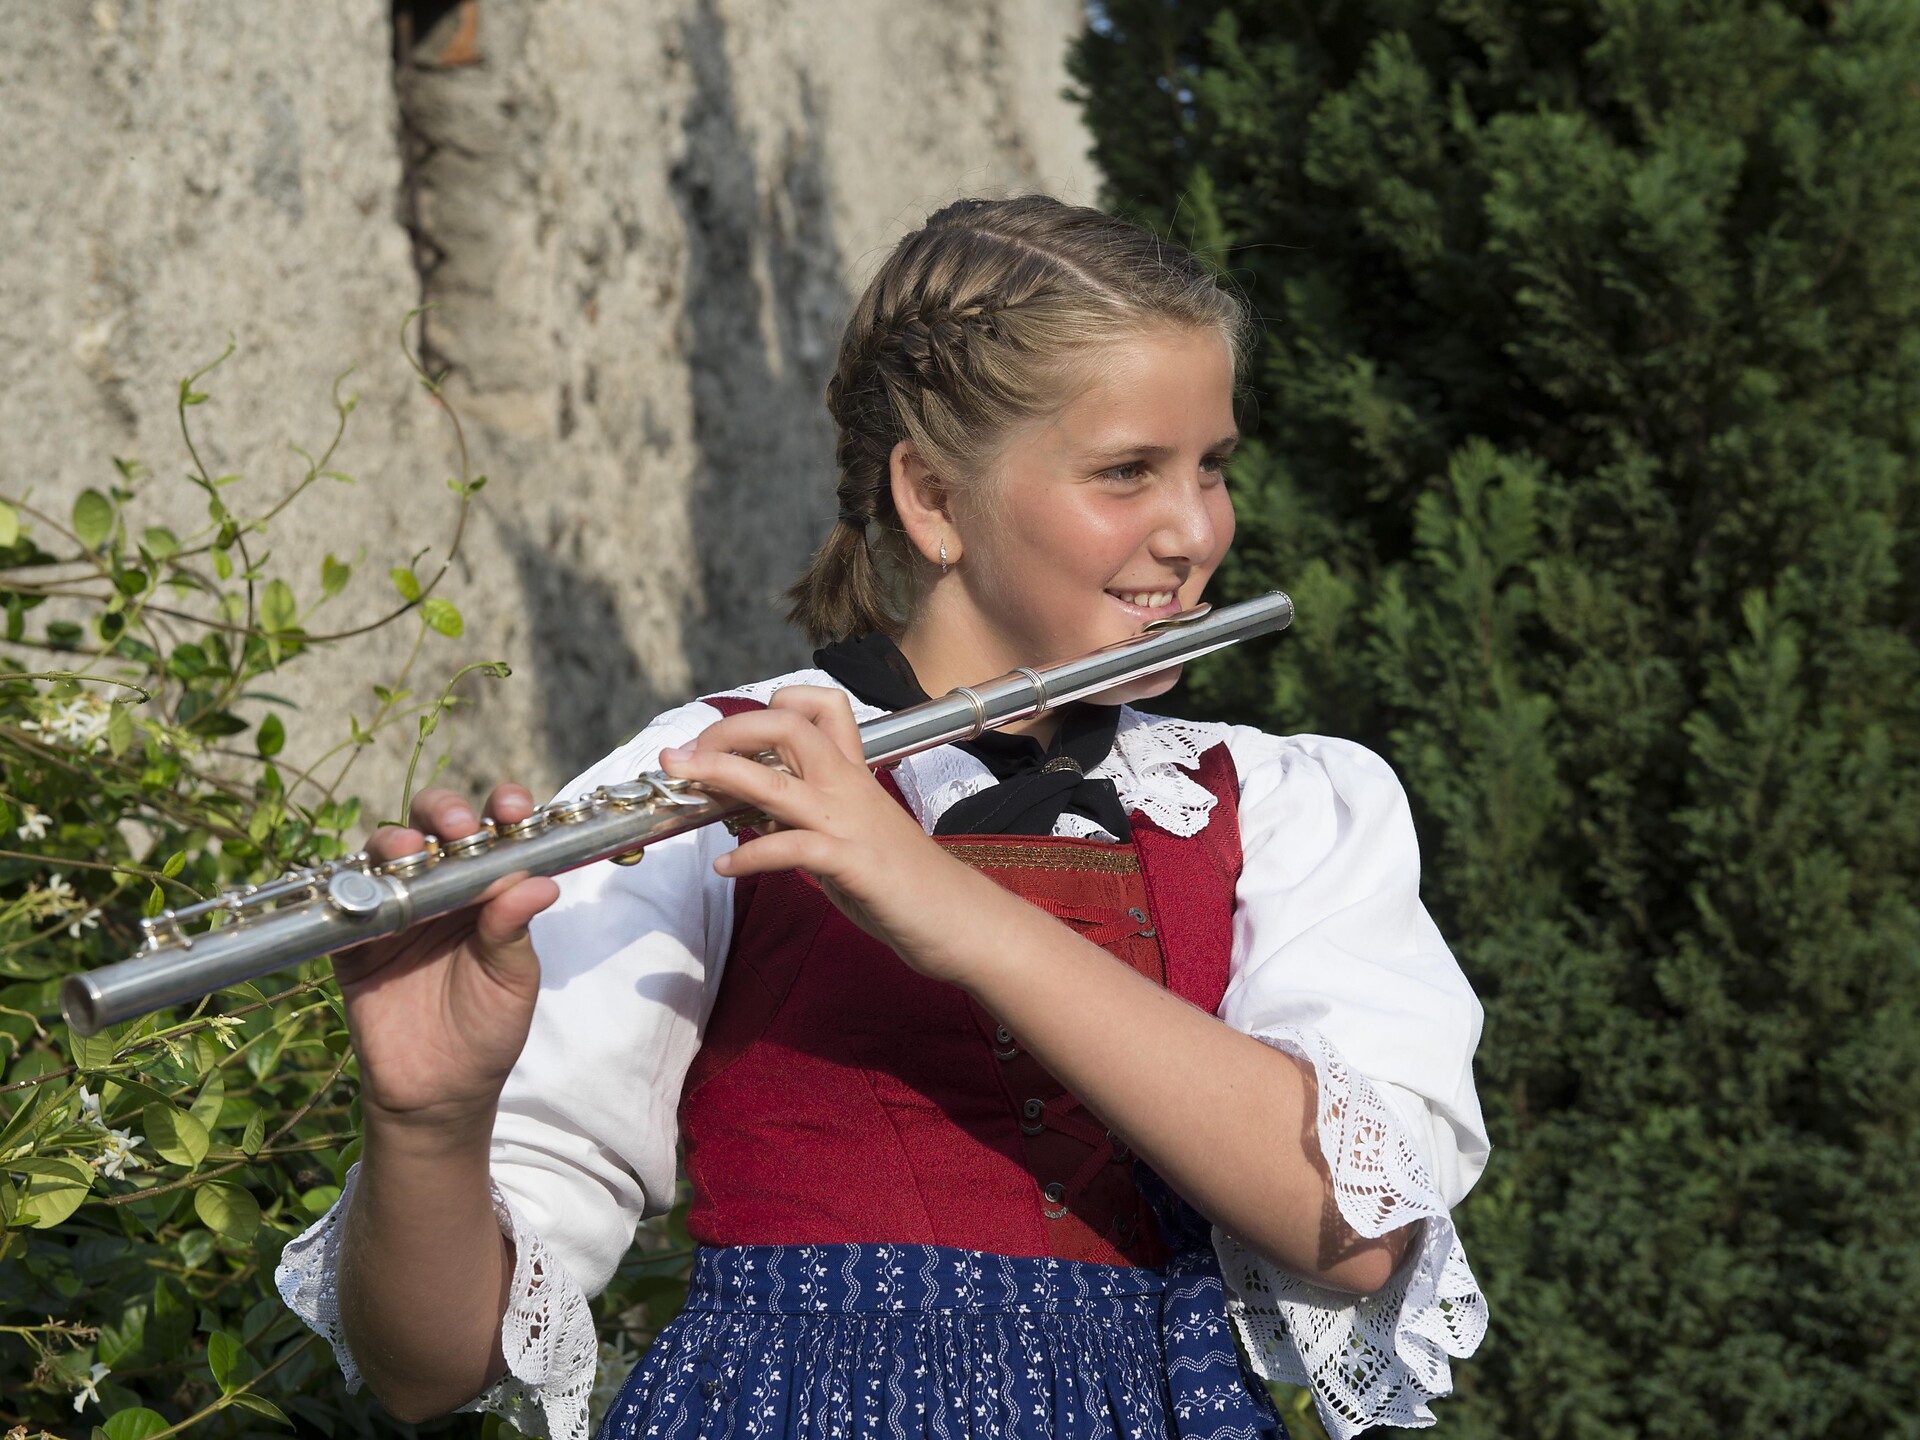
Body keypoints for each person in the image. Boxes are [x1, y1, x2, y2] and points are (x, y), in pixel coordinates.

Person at [278, 196, 1490, 1440]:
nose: (1195, 531)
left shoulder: (1284, 807)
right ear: (934, 498)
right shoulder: (718, 776)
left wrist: (952, 909)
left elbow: (1356, 1231)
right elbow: (432, 1371)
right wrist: (425, 1122)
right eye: (1129, 471)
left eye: (1213, 466)